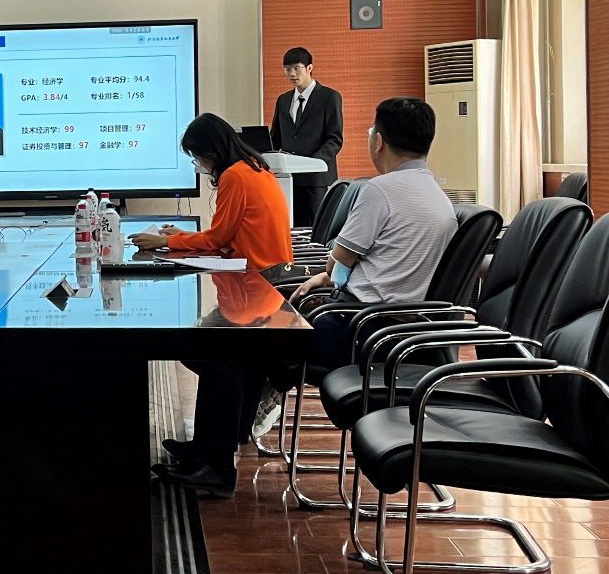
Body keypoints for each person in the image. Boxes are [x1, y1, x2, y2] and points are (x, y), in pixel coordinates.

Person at [131, 113, 293, 499]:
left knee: (213, 354)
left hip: (255, 283)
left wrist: (167, 243)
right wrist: (183, 238)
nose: (199, 165)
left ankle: (217, 465)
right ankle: (207, 445)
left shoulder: (236, 174)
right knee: (210, 349)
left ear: (210, 151)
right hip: (265, 281)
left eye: (196, 157)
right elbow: (225, 235)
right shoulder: (254, 167)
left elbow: (218, 238)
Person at [289, 96, 457, 370]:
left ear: (379, 141)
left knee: (260, 341)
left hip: (359, 328)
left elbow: (338, 263)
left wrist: (329, 277)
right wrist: (330, 279)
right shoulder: (442, 199)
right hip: (399, 333)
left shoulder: (380, 190)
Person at [269, 47, 343, 227]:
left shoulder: (329, 97)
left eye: (297, 68)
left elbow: (335, 139)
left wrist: (312, 163)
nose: (292, 74)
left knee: (315, 230)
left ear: (309, 68)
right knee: (289, 228)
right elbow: (275, 138)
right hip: (287, 178)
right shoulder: (283, 100)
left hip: (315, 179)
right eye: (287, 69)